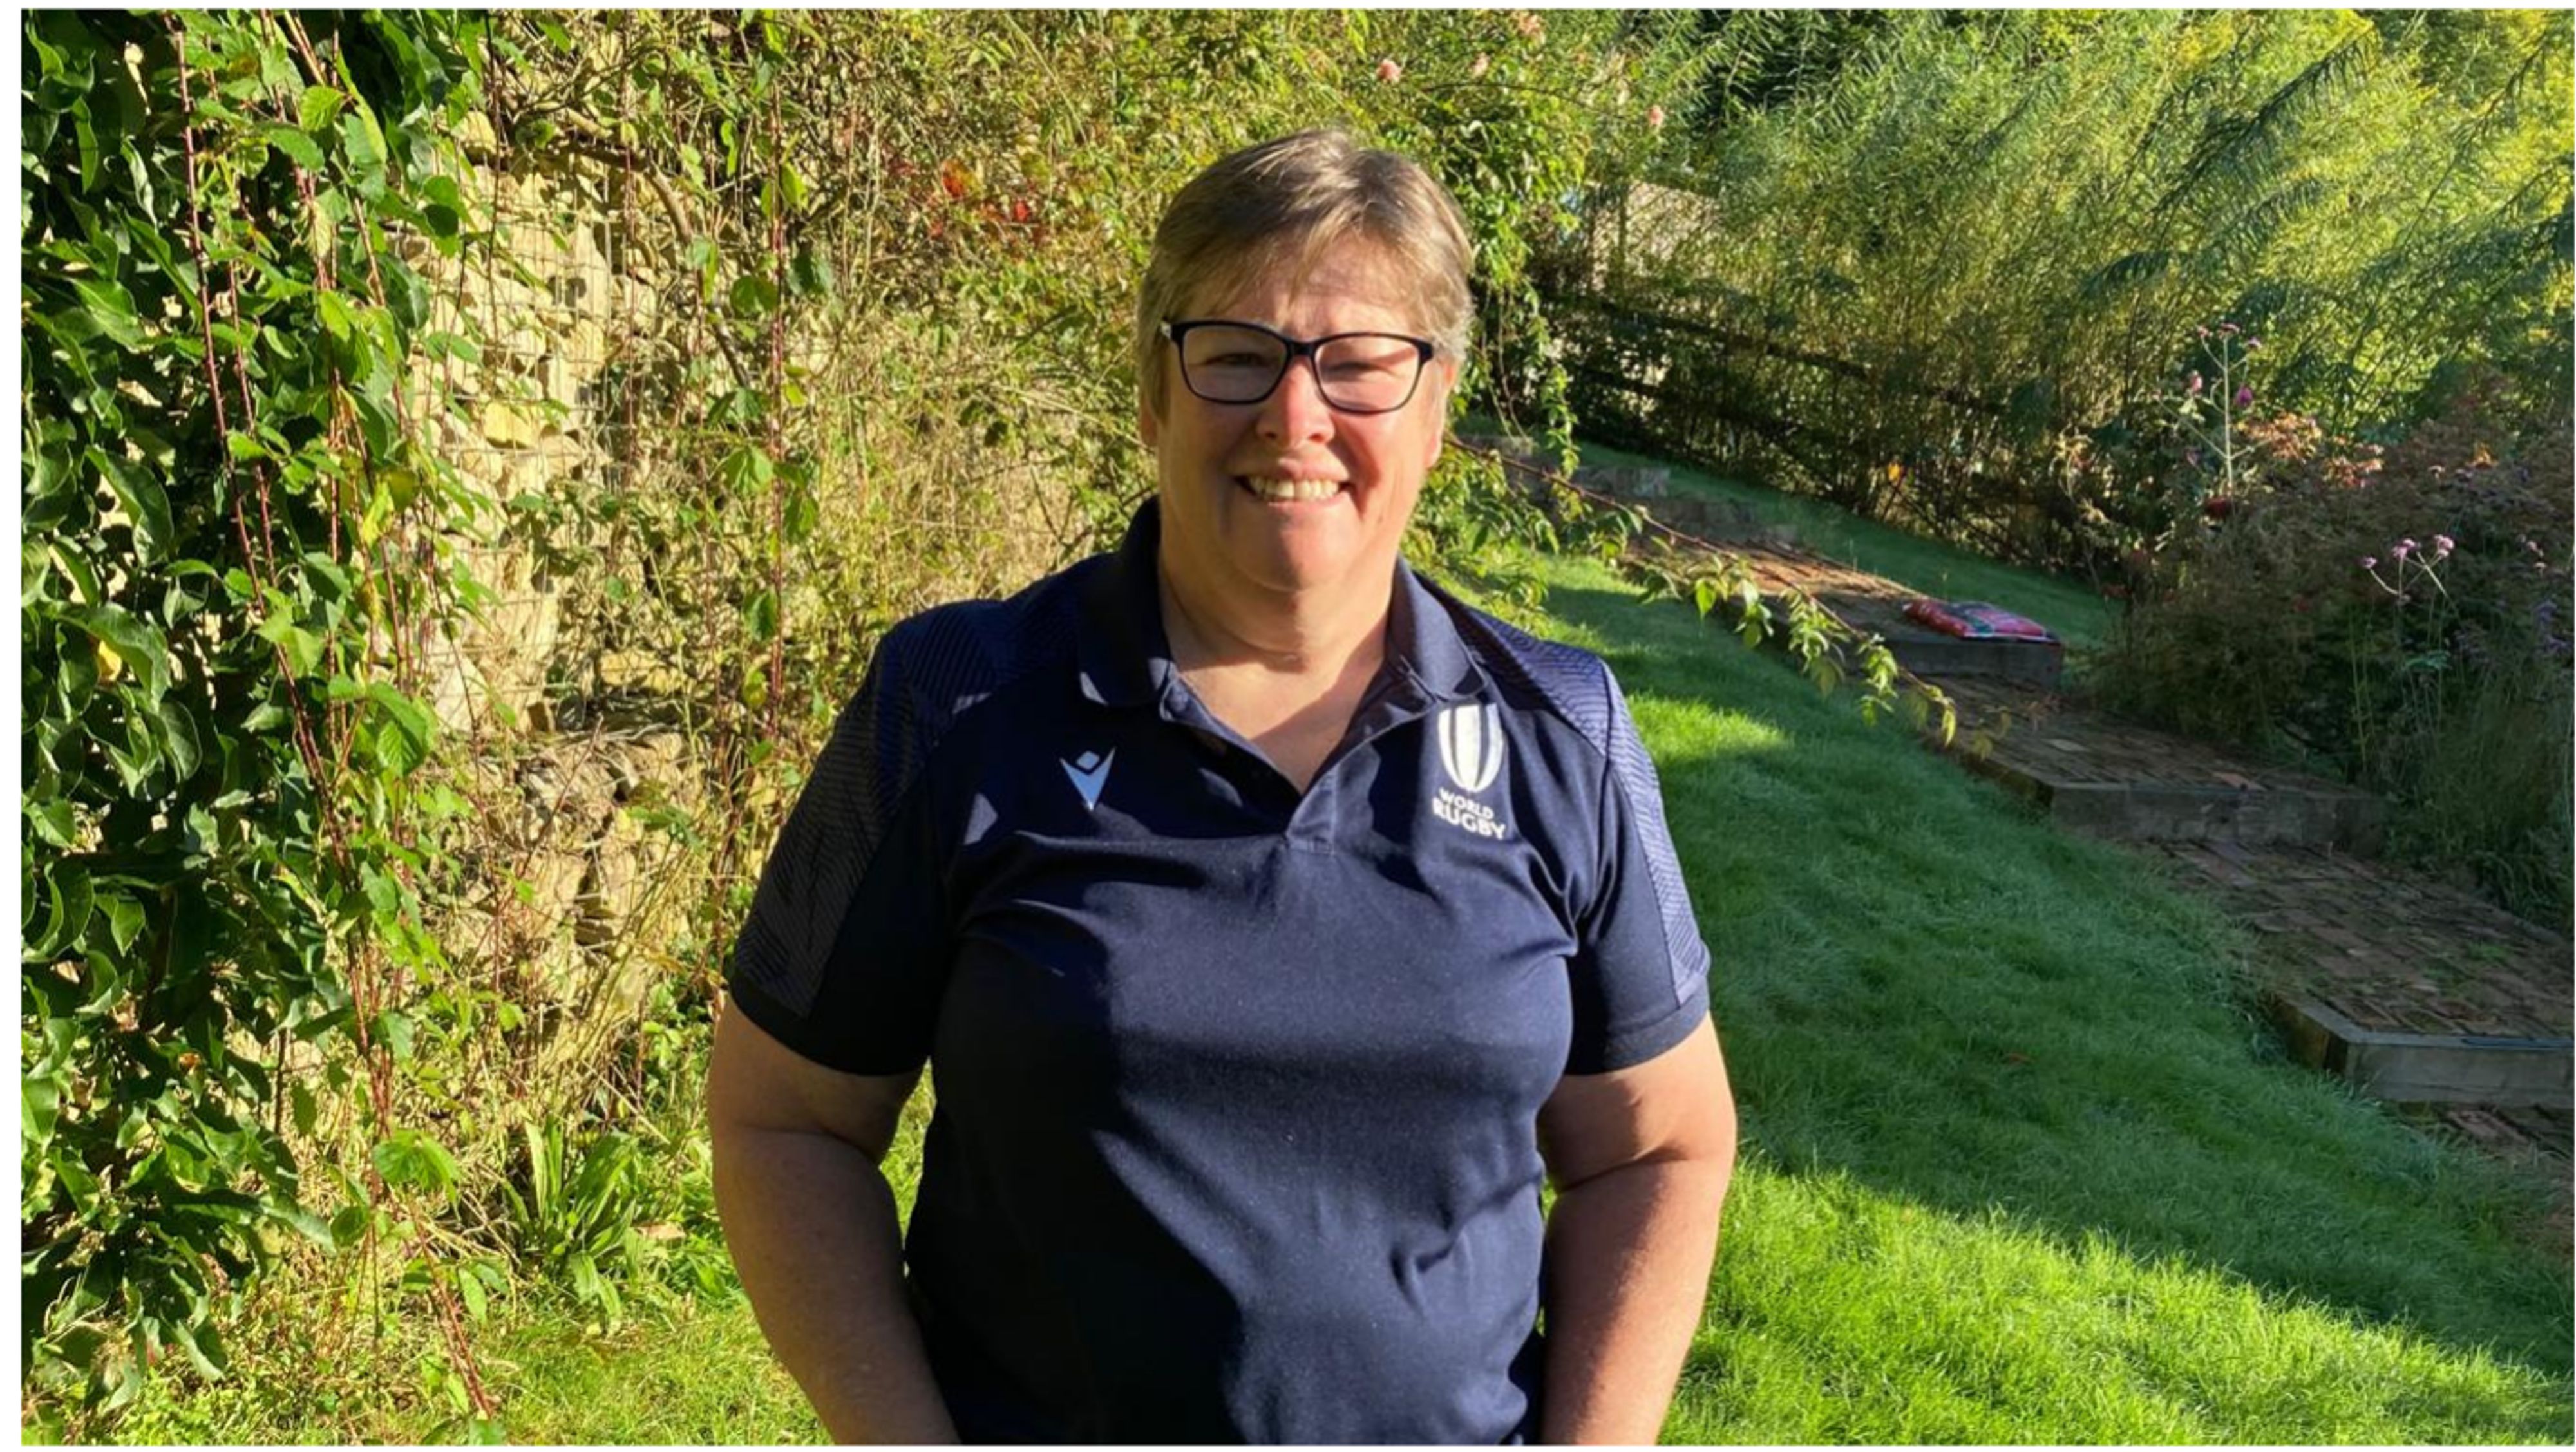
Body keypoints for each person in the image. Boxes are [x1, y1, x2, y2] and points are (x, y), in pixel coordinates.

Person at [707, 129, 1736, 1445]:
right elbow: (786, 1123)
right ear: (1154, 394)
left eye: (1361, 363)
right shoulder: (954, 703)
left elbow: (1658, 1147)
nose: (1295, 418)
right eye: (1238, 355)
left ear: (1436, 410)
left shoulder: (1561, 733)